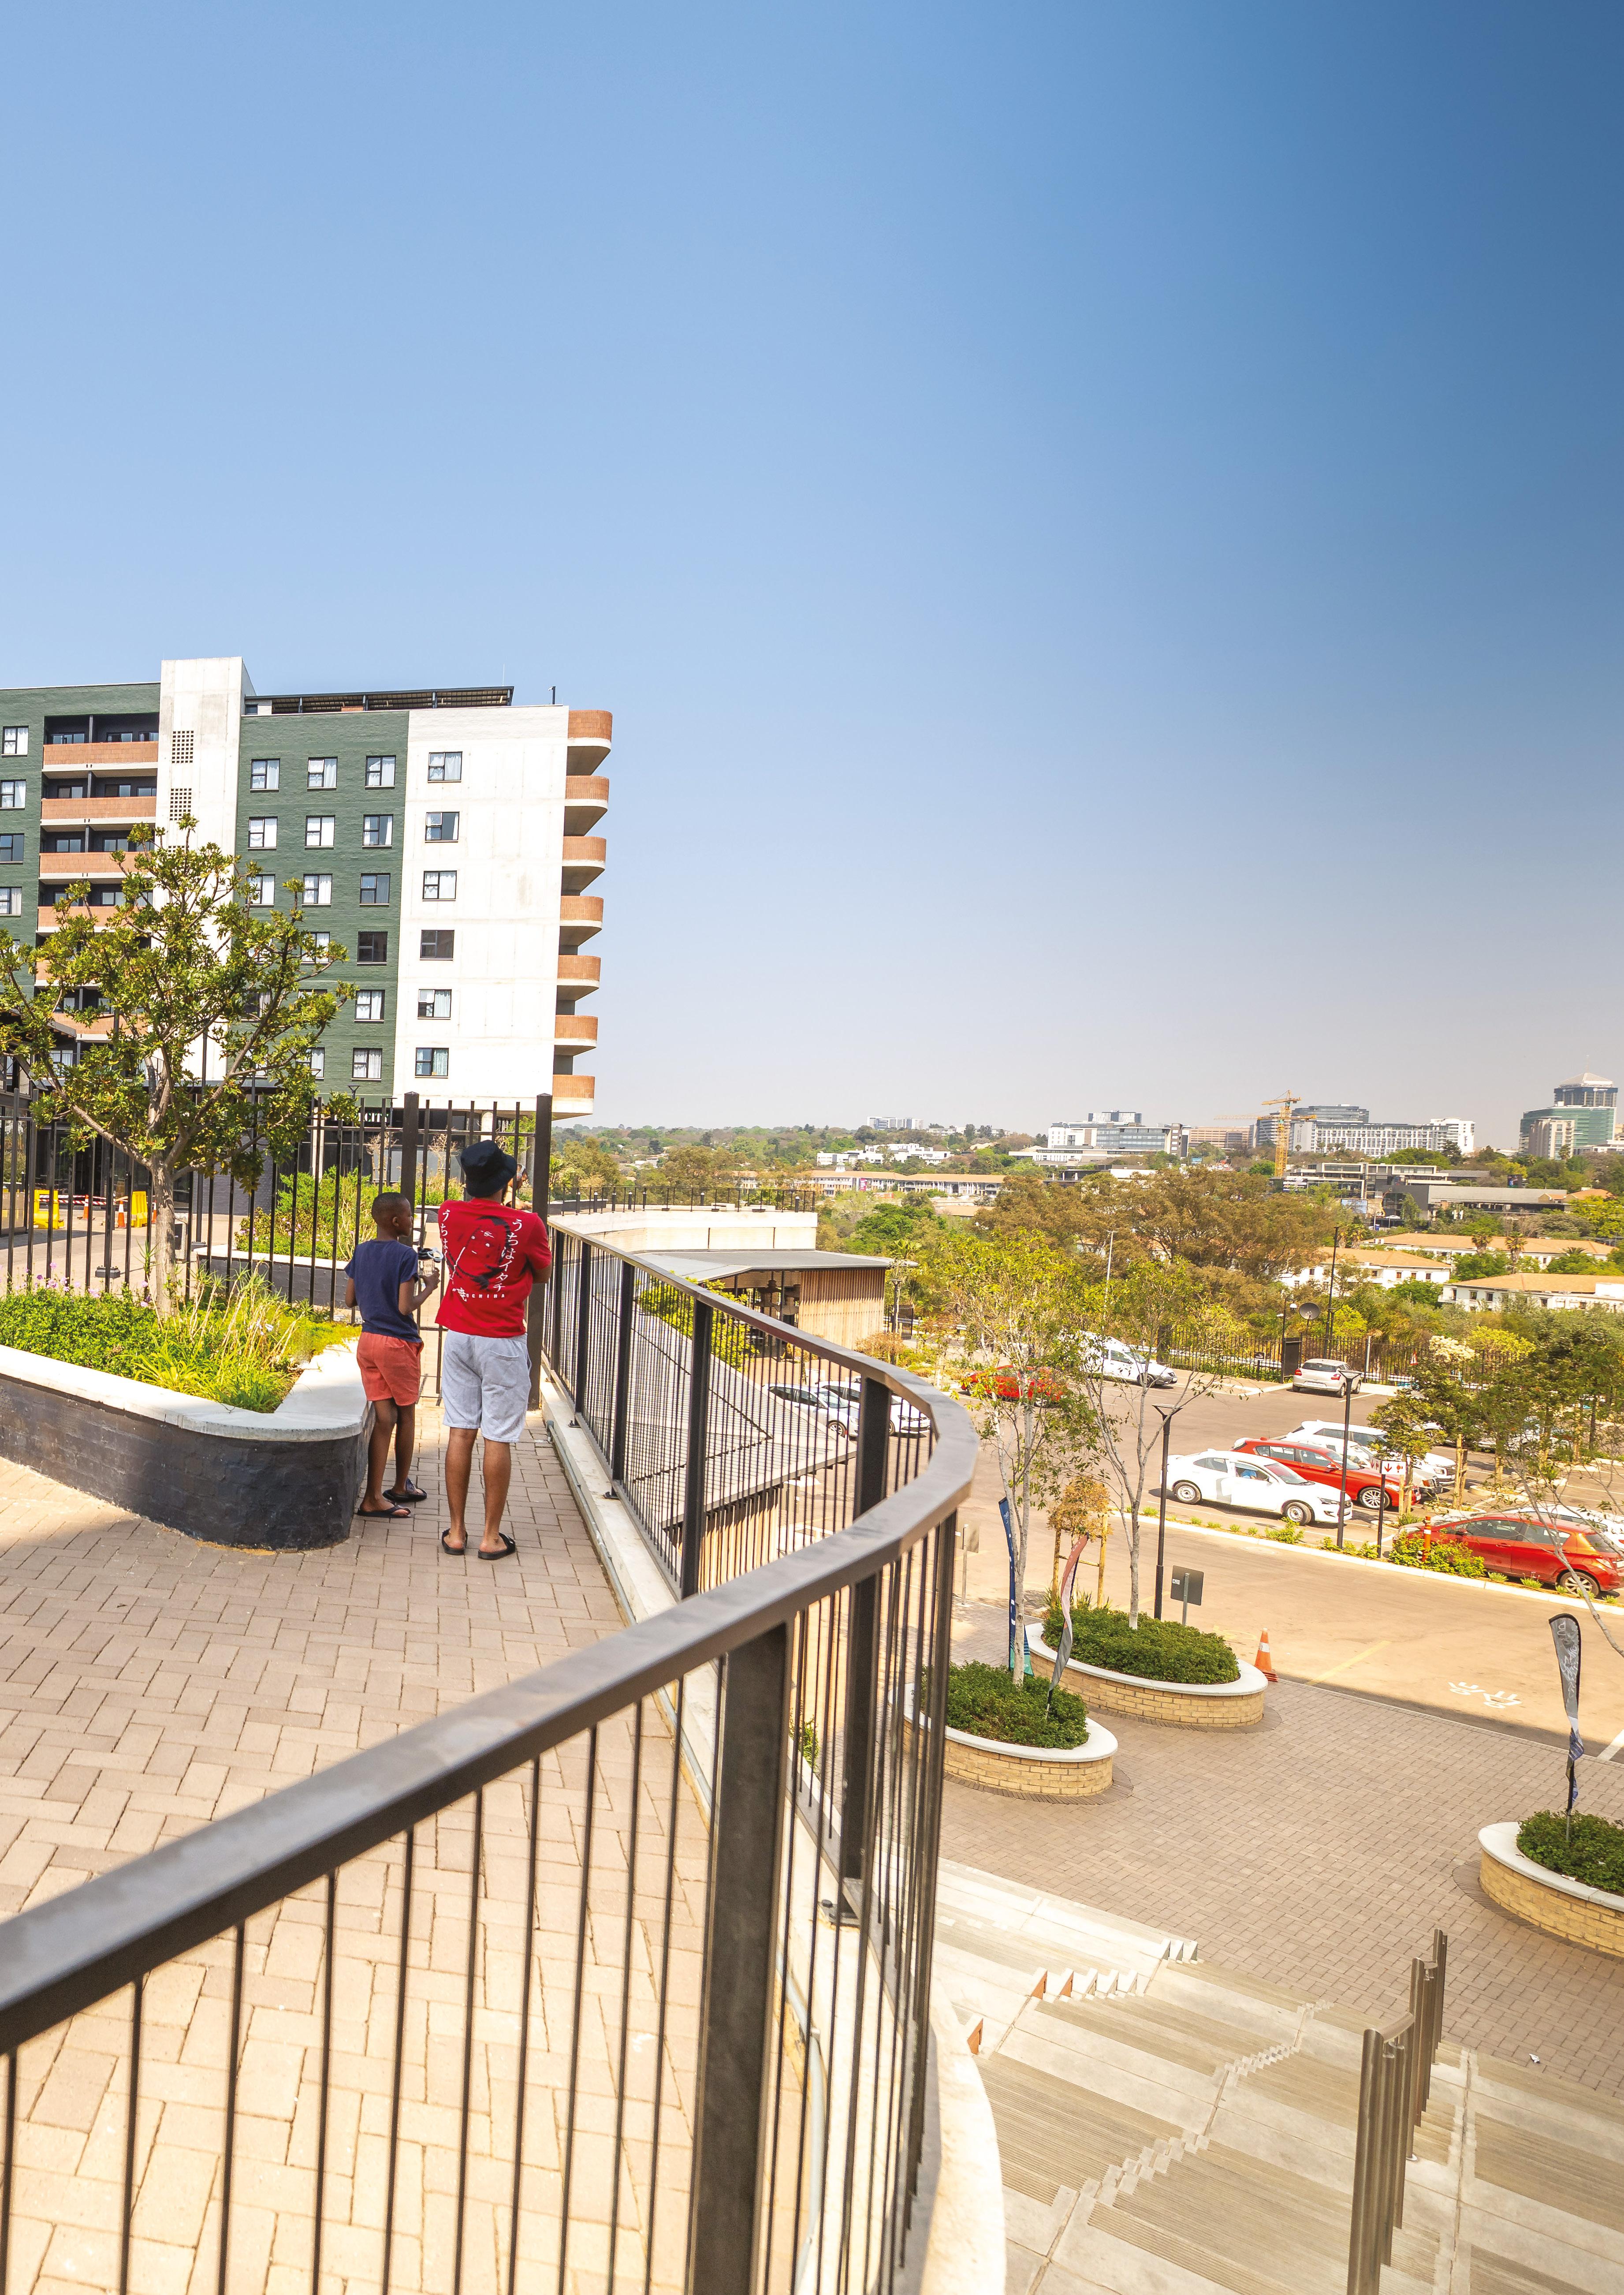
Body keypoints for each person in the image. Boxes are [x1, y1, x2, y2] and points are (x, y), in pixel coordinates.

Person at [436, 1140, 551, 1559]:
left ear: (467, 1180)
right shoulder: (528, 1224)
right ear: (506, 1181)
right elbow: (543, 1274)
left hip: (459, 1335)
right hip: (502, 1339)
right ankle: (490, 1537)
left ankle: (456, 1533)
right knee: (498, 1436)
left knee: (460, 1430)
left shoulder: (447, 1212)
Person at [344, 1191, 441, 1520]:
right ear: (397, 1221)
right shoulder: (405, 1255)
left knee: (385, 1418)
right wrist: (429, 1288)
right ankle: (400, 1487)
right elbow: (404, 1307)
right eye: (410, 1215)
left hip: (368, 1341)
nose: (413, 1220)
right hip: (397, 1345)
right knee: (407, 1415)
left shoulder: (361, 1251)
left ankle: (373, 1497)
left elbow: (349, 1300)